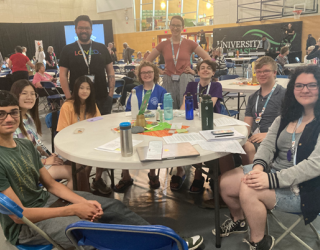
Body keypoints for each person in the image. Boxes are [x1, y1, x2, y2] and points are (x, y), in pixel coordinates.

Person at [0, 90, 203, 250]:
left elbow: (52, 185)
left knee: (113, 207)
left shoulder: (25, 146)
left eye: (13, 112)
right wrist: (74, 209)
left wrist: (82, 202)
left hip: (46, 202)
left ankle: (168, 242)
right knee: (93, 235)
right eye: (2, 113)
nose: (9, 118)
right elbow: (19, 216)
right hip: (25, 226)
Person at [214, 66, 320, 250]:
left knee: (249, 189)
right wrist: (258, 168)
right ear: (292, 89)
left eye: (312, 85)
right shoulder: (285, 118)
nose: (305, 90)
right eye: (300, 85)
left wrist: (270, 180)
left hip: (306, 188)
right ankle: (239, 221)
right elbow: (267, 146)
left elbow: (315, 165)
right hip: (274, 174)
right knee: (226, 182)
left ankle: (259, 243)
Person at [202, 56, 286, 208]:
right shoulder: (253, 97)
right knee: (225, 145)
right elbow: (247, 125)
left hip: (275, 140)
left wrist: (268, 135)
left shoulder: (284, 95)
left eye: (266, 71)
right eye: (258, 71)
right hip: (255, 137)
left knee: (247, 147)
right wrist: (241, 136)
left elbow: (290, 126)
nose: (261, 74)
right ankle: (228, 192)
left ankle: (253, 191)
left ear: (275, 73)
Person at [10, 80, 72, 189]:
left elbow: (36, 143)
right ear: (15, 95)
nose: (29, 97)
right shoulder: (11, 123)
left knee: (74, 165)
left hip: (38, 161)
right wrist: (45, 161)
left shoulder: (28, 118)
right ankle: (69, 202)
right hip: (27, 170)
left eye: (33, 93)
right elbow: (17, 158)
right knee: (72, 173)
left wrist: (47, 154)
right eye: (24, 93)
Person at [115, 62, 167, 192]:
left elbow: (165, 111)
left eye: (149, 72)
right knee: (124, 141)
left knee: (154, 143)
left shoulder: (161, 91)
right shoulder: (135, 91)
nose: (147, 75)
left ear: (154, 73)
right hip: (136, 124)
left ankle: (153, 174)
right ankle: (126, 176)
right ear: (139, 75)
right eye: (143, 72)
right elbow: (128, 111)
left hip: (154, 126)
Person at [57, 76, 111, 194]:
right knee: (84, 162)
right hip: (71, 144)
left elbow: (99, 124)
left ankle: (95, 180)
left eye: (88, 88)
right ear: (76, 89)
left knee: (103, 150)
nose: (84, 91)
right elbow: (62, 132)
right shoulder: (68, 106)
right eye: (81, 88)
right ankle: (84, 189)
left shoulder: (91, 105)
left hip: (88, 142)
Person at [175, 60, 222, 192]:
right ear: (198, 71)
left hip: (210, 122)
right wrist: (180, 118)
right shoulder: (191, 85)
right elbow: (184, 105)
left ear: (213, 72)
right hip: (192, 121)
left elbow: (208, 107)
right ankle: (183, 171)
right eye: (202, 68)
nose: (205, 70)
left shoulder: (216, 86)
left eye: (208, 68)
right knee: (180, 135)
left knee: (199, 138)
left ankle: (198, 175)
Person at [146, 15, 211, 109]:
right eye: (173, 25)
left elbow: (208, 58)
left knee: (185, 108)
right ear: (170, 26)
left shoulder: (190, 43)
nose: (175, 28)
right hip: (168, 78)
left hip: (185, 77)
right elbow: (147, 61)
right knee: (169, 108)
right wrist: (158, 70)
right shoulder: (163, 44)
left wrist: (196, 71)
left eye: (178, 25)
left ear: (182, 27)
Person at [59, 15, 115, 116]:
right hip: (78, 99)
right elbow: (62, 75)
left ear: (91, 30)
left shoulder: (102, 48)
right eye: (80, 28)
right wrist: (69, 98)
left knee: (102, 129)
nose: (84, 30)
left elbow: (110, 72)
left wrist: (110, 95)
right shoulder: (67, 50)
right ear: (75, 30)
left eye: (87, 28)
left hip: (101, 98)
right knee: (80, 130)